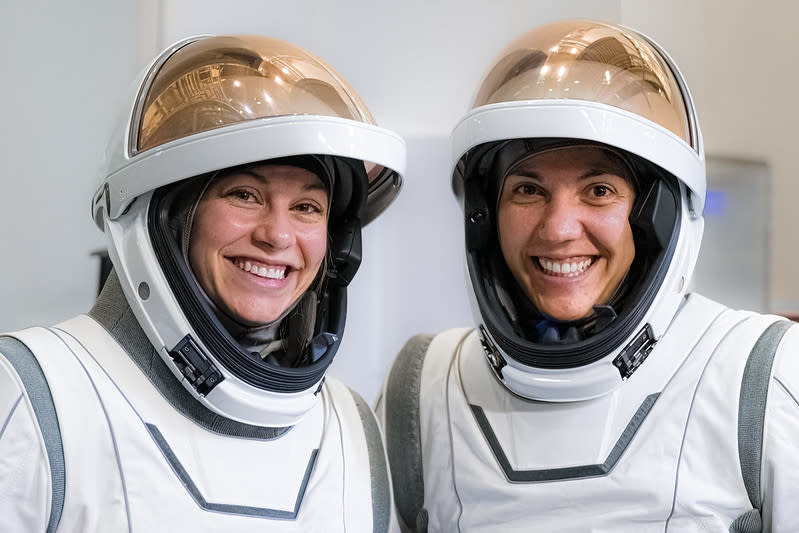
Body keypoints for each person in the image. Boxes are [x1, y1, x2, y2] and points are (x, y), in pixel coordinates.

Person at [378, 19, 799, 532]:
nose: (557, 229)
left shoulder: (761, 378)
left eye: (598, 190)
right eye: (528, 190)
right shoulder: (425, 391)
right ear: (485, 218)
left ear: (656, 217)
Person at [0, 34, 405, 532]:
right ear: (171, 217)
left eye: (306, 207)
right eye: (244, 195)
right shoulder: (34, 392)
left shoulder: (348, 430)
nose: (277, 236)